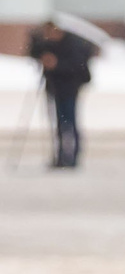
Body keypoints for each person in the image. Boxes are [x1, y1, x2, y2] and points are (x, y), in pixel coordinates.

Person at [26, 17, 95, 170]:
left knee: (69, 122)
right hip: (55, 88)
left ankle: (73, 157)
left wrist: (56, 64)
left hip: (70, 89)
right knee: (59, 123)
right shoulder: (49, 44)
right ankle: (60, 157)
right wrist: (34, 38)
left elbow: (76, 66)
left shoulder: (73, 44)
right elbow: (33, 52)